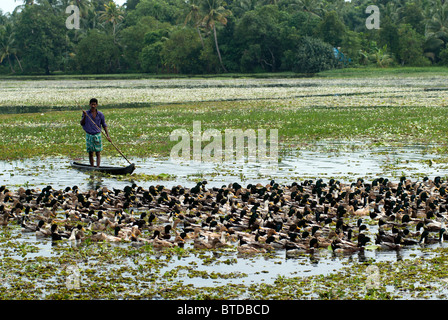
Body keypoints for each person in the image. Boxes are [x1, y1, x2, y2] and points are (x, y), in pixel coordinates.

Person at [80, 98, 111, 167]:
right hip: (89, 135)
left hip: (97, 135)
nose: (93, 106)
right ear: (89, 104)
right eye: (92, 104)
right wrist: (85, 116)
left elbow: (104, 125)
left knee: (98, 152)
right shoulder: (86, 113)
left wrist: (108, 136)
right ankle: (92, 166)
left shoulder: (100, 114)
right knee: (90, 153)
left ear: (96, 105)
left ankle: (97, 167)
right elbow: (82, 123)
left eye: (94, 104)